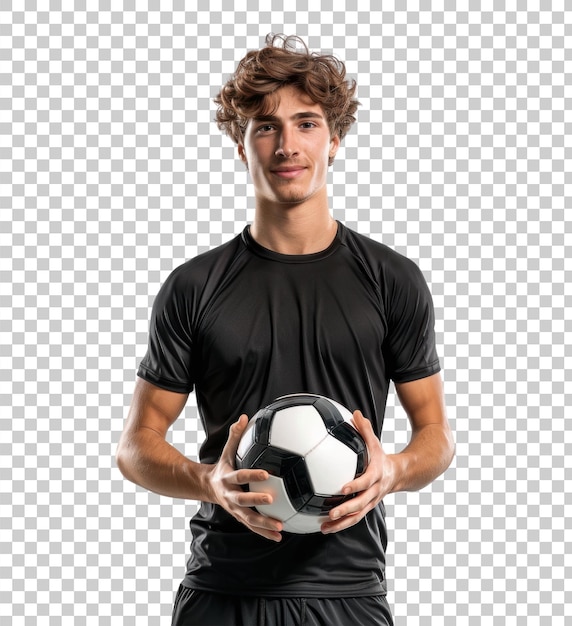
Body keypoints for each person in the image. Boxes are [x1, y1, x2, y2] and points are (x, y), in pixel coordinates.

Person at [116, 34, 455, 626]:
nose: (288, 145)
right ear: (239, 143)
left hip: (349, 592)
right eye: (266, 126)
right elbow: (135, 445)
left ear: (336, 138)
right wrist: (209, 481)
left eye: (307, 123)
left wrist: (393, 470)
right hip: (224, 588)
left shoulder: (393, 279)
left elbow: (435, 434)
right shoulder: (194, 286)